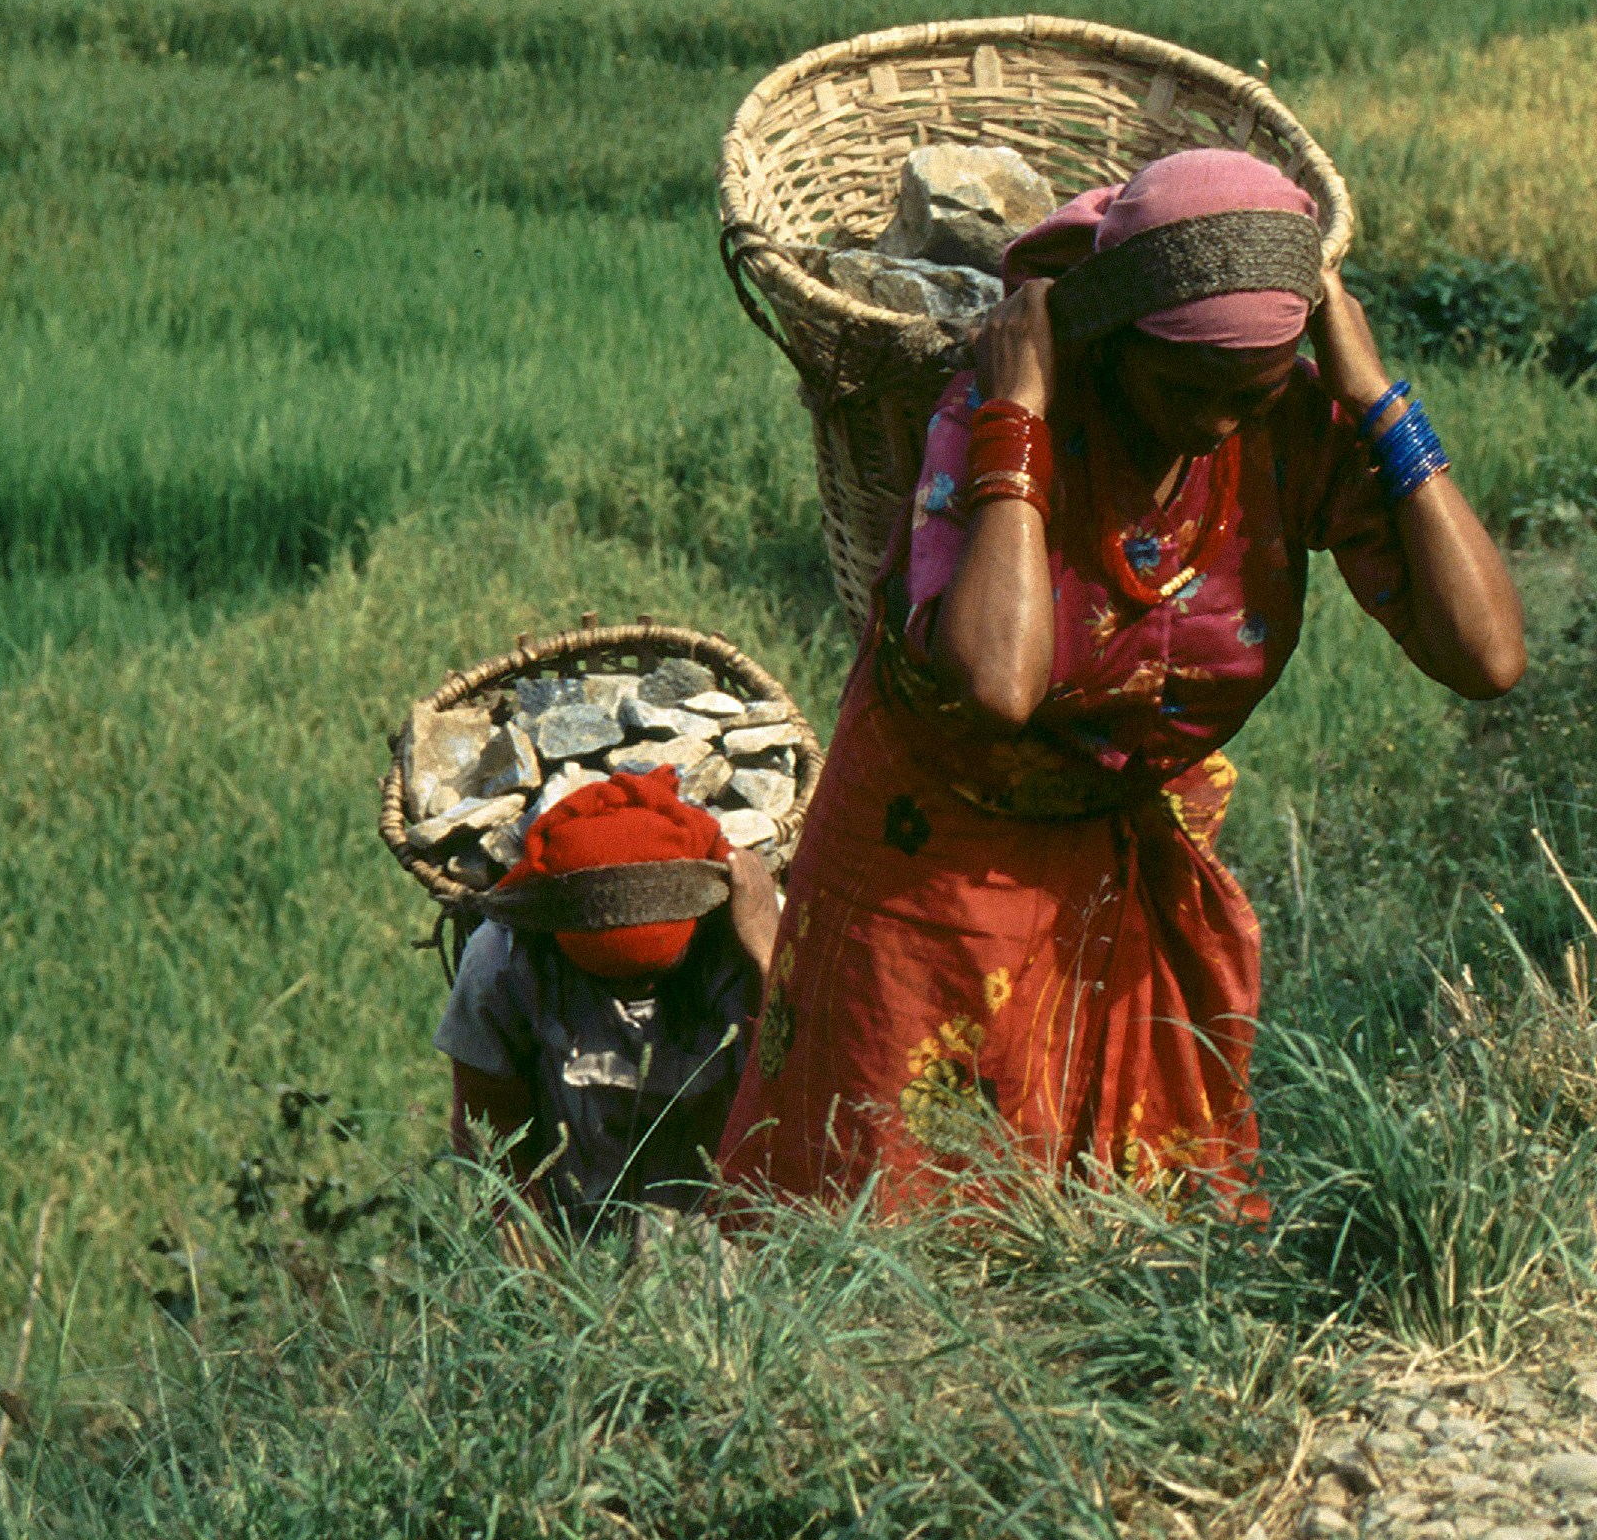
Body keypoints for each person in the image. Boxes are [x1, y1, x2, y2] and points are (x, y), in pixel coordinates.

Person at [718, 148, 1524, 1208]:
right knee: (897, 1188)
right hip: (932, 852)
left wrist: (1372, 393)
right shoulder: (1007, 409)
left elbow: (1487, 658)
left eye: (1255, 391)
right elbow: (1000, 684)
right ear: (1111, 339)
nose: (1217, 424)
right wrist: (1017, 412)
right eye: (1187, 390)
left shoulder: (1289, 421)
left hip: (1128, 835)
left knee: (1122, 1214)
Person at [437, 769, 781, 1225]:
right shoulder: (503, 959)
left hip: (721, 1217)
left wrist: (768, 955)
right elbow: (487, 1118)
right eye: (610, 981)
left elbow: (802, 1090)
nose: (635, 993)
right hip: (571, 1214)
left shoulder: (748, 938)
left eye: (654, 976)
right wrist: (519, 1227)